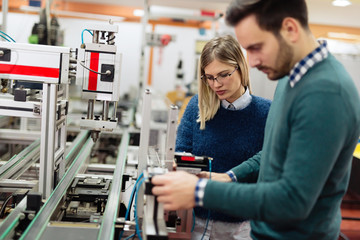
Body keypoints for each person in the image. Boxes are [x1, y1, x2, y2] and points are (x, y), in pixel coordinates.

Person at [152, 0, 360, 239]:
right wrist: (230, 176)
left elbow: (293, 200)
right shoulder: (290, 79)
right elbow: (270, 152)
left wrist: (199, 191)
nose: (251, 62)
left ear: (290, 29)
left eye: (257, 47)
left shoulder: (326, 93)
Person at [175, 35, 271, 240]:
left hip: (243, 226)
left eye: (223, 74)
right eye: (209, 77)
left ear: (241, 67)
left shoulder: (266, 112)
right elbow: (181, 153)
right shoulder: (196, 106)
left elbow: (269, 160)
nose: (216, 84)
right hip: (198, 222)